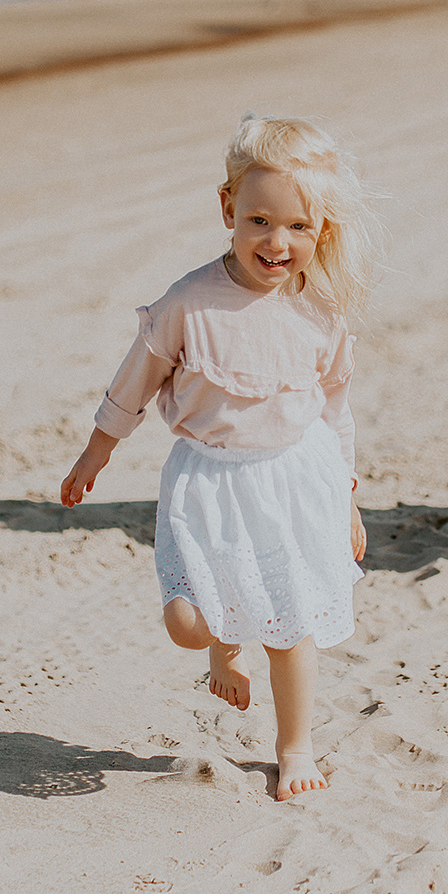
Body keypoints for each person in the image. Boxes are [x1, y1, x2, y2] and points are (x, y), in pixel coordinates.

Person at [60, 116, 379, 801]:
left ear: (321, 229)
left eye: (298, 226)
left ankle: (294, 746)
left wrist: (346, 498)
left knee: (291, 625)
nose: (277, 241)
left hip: (295, 478)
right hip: (209, 482)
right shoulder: (188, 302)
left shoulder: (322, 310)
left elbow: (335, 411)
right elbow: (132, 387)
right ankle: (220, 647)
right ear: (228, 206)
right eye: (260, 219)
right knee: (188, 621)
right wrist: (95, 453)